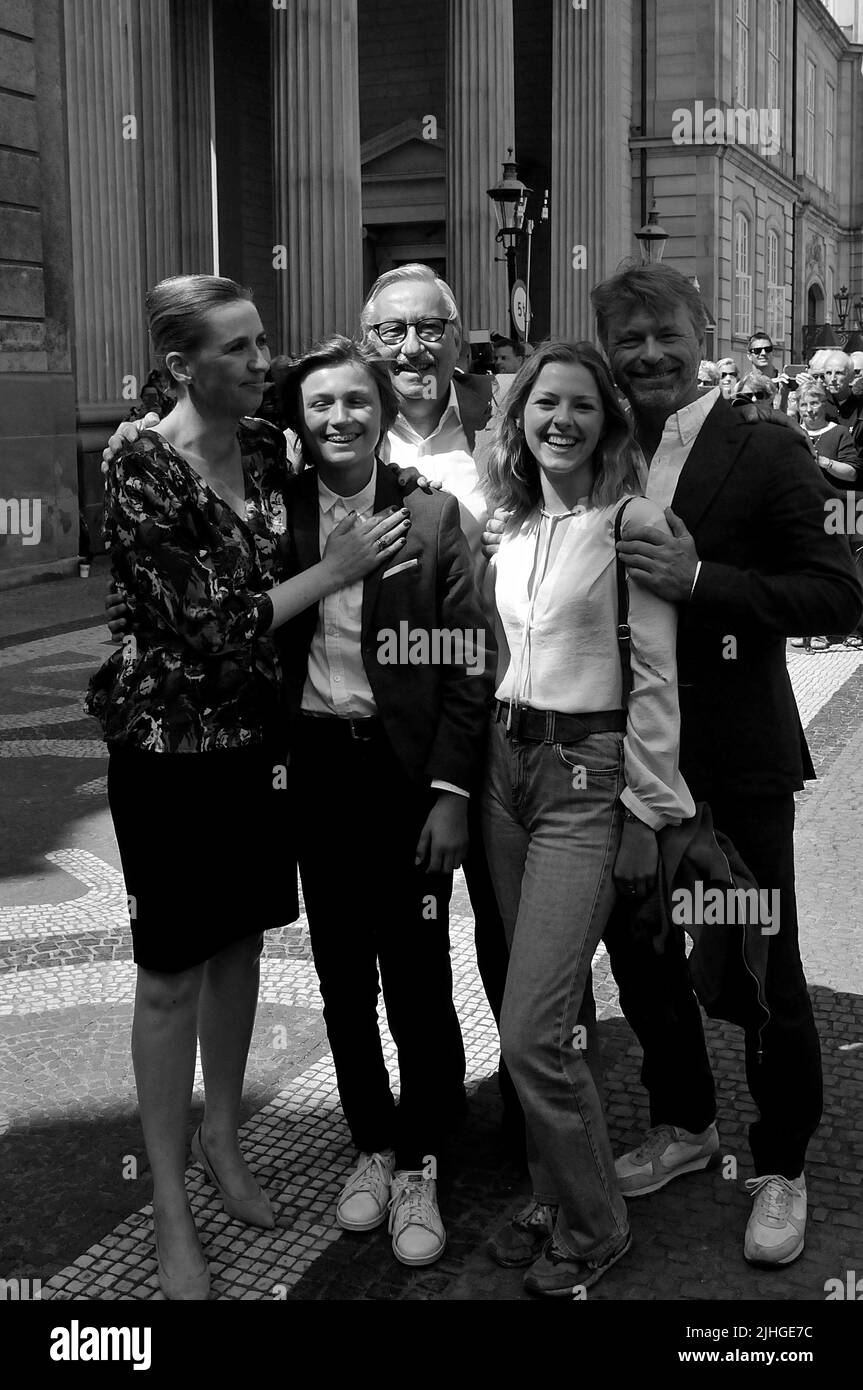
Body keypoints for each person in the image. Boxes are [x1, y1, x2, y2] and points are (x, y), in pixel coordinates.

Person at [483, 264, 861, 1269]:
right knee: (642, 957)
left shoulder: (763, 445)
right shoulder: (599, 456)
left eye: (664, 334)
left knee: (754, 956)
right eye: (627, 339)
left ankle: (778, 1159)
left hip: (730, 768)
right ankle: (685, 1124)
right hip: (603, 771)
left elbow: (836, 595)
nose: (648, 354)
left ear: (702, 331)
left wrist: (702, 582)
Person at [87, 275, 410, 1300]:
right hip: (168, 755)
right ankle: (170, 1203)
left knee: (237, 952)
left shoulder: (269, 449)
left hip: (259, 749)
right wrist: (332, 570)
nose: (260, 361)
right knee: (171, 971)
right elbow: (209, 621)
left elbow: (366, 452)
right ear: (183, 365)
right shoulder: (140, 462)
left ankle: (223, 1141)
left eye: (261, 342)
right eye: (237, 348)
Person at [481, 341, 695, 1298]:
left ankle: (597, 1224)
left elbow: (654, 674)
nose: (558, 419)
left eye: (578, 404)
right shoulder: (514, 524)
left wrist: (647, 810)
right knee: (545, 1011)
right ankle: (553, 1194)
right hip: (503, 769)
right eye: (541, 403)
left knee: (530, 1030)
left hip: (584, 773)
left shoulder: (630, 521)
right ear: (518, 418)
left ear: (605, 423)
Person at [276, 335, 494, 1266]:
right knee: (339, 974)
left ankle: (421, 1157)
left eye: (356, 401)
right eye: (320, 403)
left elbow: (467, 666)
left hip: (404, 779)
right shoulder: (272, 518)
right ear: (298, 418)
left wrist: (451, 792)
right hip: (315, 772)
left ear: (382, 409)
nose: (339, 419)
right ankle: (369, 1141)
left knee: (414, 974)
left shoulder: (434, 518)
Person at [359, 264, 525, 1158]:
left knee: (512, 926)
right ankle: (434, 1110)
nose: (412, 348)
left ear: (458, 337)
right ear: (367, 339)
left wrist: (522, 526)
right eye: (392, 332)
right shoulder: (339, 433)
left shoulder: (506, 422)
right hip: (396, 732)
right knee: (410, 943)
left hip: (504, 709)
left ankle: (530, 1102)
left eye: (430, 328)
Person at [790, 384, 863, 652]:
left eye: (815, 403)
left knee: (831, 569)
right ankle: (805, 626)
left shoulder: (840, 432)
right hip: (799, 508)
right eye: (804, 404)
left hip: (836, 507)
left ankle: (827, 628)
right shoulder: (790, 431)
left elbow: (853, 473)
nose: (809, 409)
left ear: (825, 405)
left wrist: (823, 462)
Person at [823, 351, 863, 456]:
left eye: (839, 373)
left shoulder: (860, 407)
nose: (833, 379)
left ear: (852, 376)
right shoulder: (819, 404)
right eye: (828, 373)